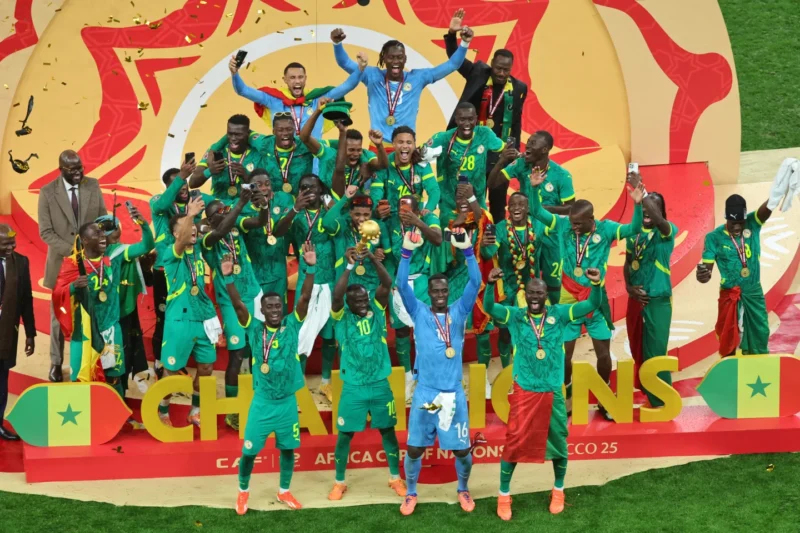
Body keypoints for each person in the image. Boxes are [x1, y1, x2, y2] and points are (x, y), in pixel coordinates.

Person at [483, 266, 604, 520]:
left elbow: (592, 303)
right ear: (525, 295)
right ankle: (504, 495)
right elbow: (491, 309)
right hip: (524, 391)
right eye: (530, 293)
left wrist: (596, 284)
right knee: (514, 443)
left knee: (559, 442)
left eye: (539, 293)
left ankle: (558, 490)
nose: (534, 297)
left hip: (552, 392)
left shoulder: (559, 314)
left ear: (546, 294)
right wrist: (491, 285)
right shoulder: (515, 316)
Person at [527, 174, 644, 419]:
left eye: (579, 224)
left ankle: (604, 396)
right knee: (564, 354)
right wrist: (534, 188)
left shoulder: (607, 229)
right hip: (569, 301)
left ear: (592, 219)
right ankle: (567, 396)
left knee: (603, 353)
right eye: (572, 223)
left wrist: (637, 203)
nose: (574, 228)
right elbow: (537, 212)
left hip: (595, 299)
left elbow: (634, 228)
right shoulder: (563, 226)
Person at [396, 228, 481, 516]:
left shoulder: (460, 311)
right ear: (429, 293)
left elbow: (475, 281)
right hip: (426, 394)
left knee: (461, 450)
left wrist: (468, 251)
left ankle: (463, 488)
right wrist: (406, 252)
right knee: (416, 449)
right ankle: (410, 493)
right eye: (436, 291)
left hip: (453, 395)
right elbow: (401, 285)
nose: (441, 295)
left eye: (445, 290)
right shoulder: (419, 311)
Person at [231, 243, 316, 514]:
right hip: (263, 403)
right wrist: (228, 278)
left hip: (288, 403)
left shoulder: (293, 324)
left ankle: (284, 490)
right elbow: (236, 305)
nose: (276, 310)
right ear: (263, 311)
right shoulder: (255, 330)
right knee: (249, 452)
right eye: (270, 307)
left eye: (279, 305)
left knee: (288, 449)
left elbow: (304, 297)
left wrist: (310, 267)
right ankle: (243, 492)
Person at [327, 245, 406, 500]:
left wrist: (372, 257)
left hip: (380, 383)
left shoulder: (376, 309)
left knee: (388, 431)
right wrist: (349, 266)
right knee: (345, 435)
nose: (362, 304)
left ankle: (395, 477)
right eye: (357, 301)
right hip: (353, 386)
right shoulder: (341, 316)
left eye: (364, 299)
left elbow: (387, 281)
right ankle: (339, 482)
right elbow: (337, 296)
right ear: (348, 304)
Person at [52, 206, 154, 396]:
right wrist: (73, 286)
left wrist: (143, 224)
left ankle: (115, 418)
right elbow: (58, 293)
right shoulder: (73, 264)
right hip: (83, 333)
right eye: (97, 234)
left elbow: (146, 246)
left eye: (103, 233)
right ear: (84, 240)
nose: (102, 236)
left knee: (113, 376)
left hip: (110, 329)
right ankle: (84, 420)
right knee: (81, 378)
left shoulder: (115, 254)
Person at [445, 8, 528, 224]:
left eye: (506, 70)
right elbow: (456, 61)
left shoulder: (518, 88)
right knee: (471, 198)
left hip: (499, 152)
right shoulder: (478, 73)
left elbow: (516, 122)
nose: (501, 73)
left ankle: (496, 247)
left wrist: (514, 150)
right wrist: (452, 36)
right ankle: (469, 241)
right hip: (474, 149)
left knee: (499, 200)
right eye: (498, 68)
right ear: (492, 64)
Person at [331, 27, 473, 140]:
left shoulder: (417, 78)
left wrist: (465, 43)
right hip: (378, 146)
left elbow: (453, 64)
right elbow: (345, 63)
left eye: (399, 58)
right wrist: (337, 44)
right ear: (383, 58)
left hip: (406, 147)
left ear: (405, 59)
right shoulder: (372, 75)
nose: (395, 62)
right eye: (391, 58)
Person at [38, 150, 107, 382]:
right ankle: (56, 363)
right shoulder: (48, 193)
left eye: (80, 168)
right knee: (59, 315)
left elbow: (102, 220)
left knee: (93, 310)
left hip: (92, 262)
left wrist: (96, 246)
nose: (78, 173)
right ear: (61, 170)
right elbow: (45, 232)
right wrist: (74, 252)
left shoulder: (93, 185)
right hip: (62, 263)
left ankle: (95, 359)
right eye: (73, 170)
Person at [157, 196, 225, 427]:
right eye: (188, 229)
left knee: (206, 367)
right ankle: (162, 409)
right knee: (172, 369)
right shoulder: (170, 253)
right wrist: (191, 214)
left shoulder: (198, 252)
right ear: (177, 234)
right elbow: (185, 235)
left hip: (202, 318)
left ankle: (195, 411)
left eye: (195, 229)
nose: (193, 232)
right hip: (180, 319)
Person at [200, 188, 262, 430]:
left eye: (226, 210)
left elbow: (259, 221)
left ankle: (259, 399)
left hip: (253, 294)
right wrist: (238, 204)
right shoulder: (207, 240)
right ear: (209, 219)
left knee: (259, 349)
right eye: (219, 212)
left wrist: (263, 206)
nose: (226, 214)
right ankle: (233, 408)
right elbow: (223, 228)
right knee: (236, 353)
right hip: (230, 299)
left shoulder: (237, 228)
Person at [489, 131, 575, 304]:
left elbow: (571, 208)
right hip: (526, 228)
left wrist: (539, 210)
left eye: (533, 143)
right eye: (528, 141)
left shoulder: (561, 175)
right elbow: (493, 184)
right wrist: (502, 161)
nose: (527, 145)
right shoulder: (521, 164)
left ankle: (553, 318)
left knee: (552, 281)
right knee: (525, 276)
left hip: (550, 232)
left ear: (544, 150)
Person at [272, 175, 338, 402]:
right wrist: (294, 209)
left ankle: (326, 383)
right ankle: (298, 384)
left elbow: (345, 230)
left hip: (330, 279)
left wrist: (334, 207)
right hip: (306, 281)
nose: (307, 191)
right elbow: (277, 232)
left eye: (312, 187)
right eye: (303, 188)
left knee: (330, 335)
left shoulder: (330, 211)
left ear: (321, 190)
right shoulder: (297, 215)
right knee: (300, 333)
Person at [480, 192, 547, 391]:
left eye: (521, 204)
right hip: (508, 288)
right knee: (505, 333)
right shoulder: (500, 228)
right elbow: (488, 253)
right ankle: (508, 373)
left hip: (532, 289)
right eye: (512, 204)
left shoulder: (538, 226)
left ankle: (531, 371)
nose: (516, 208)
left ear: (527, 208)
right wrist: (485, 246)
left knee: (533, 332)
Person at [228, 39, 365, 137]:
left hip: (313, 162)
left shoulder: (319, 98)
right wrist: (235, 73)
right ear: (285, 80)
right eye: (292, 78)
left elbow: (347, 86)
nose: (297, 81)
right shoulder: (272, 99)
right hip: (286, 160)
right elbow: (243, 90)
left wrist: (360, 69)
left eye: (300, 77)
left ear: (305, 78)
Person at [697, 193, 774, 356]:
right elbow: (706, 271)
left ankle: (758, 368)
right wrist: (702, 275)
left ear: (746, 217)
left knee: (761, 331)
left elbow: (768, 207)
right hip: (729, 294)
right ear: (726, 218)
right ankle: (731, 373)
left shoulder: (753, 223)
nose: (737, 227)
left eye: (741, 223)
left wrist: (781, 185)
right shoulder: (713, 238)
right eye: (733, 223)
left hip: (753, 292)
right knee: (728, 337)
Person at [439, 184, 496, 399]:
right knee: (453, 334)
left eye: (468, 196)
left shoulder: (485, 220)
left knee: (483, 332)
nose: (463, 200)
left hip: (479, 280)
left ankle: (483, 379)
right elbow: (443, 247)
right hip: (455, 282)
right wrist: (456, 225)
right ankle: (455, 378)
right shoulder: (447, 219)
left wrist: (488, 246)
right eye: (459, 195)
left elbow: (491, 250)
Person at [624, 175, 677, 406]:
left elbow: (657, 217)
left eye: (654, 206)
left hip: (657, 300)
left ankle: (663, 401)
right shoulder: (634, 232)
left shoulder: (666, 232)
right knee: (638, 349)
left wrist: (642, 194)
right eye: (647, 204)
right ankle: (649, 393)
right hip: (635, 299)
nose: (649, 209)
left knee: (656, 351)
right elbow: (628, 263)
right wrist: (628, 287)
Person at [390, 195, 443, 401]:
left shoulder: (428, 220)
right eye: (402, 210)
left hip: (421, 283)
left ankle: (424, 376)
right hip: (400, 282)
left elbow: (438, 239)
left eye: (410, 210)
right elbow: (386, 256)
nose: (405, 214)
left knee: (424, 331)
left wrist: (418, 222)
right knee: (402, 331)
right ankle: (407, 376)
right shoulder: (390, 225)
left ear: (418, 209)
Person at [149, 160, 197, 376]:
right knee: (163, 318)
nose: (184, 189)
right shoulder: (159, 201)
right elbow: (160, 207)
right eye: (179, 186)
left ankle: (175, 360)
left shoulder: (192, 203)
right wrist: (180, 179)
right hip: (163, 272)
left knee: (182, 318)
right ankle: (160, 361)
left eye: (185, 185)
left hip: (186, 270)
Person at [424, 102, 506, 226]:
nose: (467, 124)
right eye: (462, 119)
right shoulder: (443, 138)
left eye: (470, 119)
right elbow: (418, 155)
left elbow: (504, 149)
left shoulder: (484, 134)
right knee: (449, 240)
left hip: (477, 200)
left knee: (485, 235)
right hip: (450, 204)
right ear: (456, 119)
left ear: (476, 118)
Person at [96, 214, 151, 395]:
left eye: (111, 228)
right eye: (102, 231)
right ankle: (100, 403)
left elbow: (147, 246)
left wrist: (142, 223)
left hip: (117, 317)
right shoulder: (83, 257)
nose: (107, 234)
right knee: (98, 361)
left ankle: (119, 401)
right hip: (94, 317)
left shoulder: (119, 252)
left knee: (119, 361)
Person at [299, 101, 387, 197]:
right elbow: (304, 137)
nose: (356, 154)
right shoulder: (329, 155)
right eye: (351, 150)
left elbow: (382, 165)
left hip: (352, 206)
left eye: (359, 149)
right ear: (341, 147)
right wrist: (318, 111)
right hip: (327, 204)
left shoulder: (365, 156)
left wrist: (379, 145)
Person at [370, 126, 440, 238]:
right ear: (393, 144)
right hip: (391, 220)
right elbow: (375, 193)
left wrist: (428, 208)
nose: (405, 146)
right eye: (400, 142)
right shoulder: (385, 165)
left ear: (414, 144)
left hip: (415, 220)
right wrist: (377, 210)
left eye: (409, 142)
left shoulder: (421, 164)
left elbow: (434, 190)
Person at [0, 224, 36, 441]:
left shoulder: (21, 262)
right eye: (5, 244)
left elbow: (26, 300)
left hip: (6, 335)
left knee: (2, 380)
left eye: (13, 242)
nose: (11, 247)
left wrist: (30, 332)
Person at [322, 186, 390, 298]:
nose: (362, 219)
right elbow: (326, 222)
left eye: (366, 215)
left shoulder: (378, 226)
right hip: (346, 286)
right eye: (357, 214)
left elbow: (389, 257)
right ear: (350, 213)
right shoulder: (343, 225)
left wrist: (380, 254)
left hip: (371, 286)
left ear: (371, 213)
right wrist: (344, 198)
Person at [237, 169, 294, 302]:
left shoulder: (283, 199)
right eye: (258, 185)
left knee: (277, 315)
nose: (264, 188)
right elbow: (259, 222)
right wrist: (263, 206)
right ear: (249, 187)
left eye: (267, 184)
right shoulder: (242, 207)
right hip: (253, 274)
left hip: (278, 270)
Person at [189, 115, 269, 202]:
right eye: (230, 134)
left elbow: (264, 192)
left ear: (247, 134)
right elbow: (192, 183)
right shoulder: (216, 152)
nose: (233, 138)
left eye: (238, 135)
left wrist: (246, 177)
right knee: (194, 196)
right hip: (218, 208)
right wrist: (210, 171)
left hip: (245, 209)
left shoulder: (257, 155)